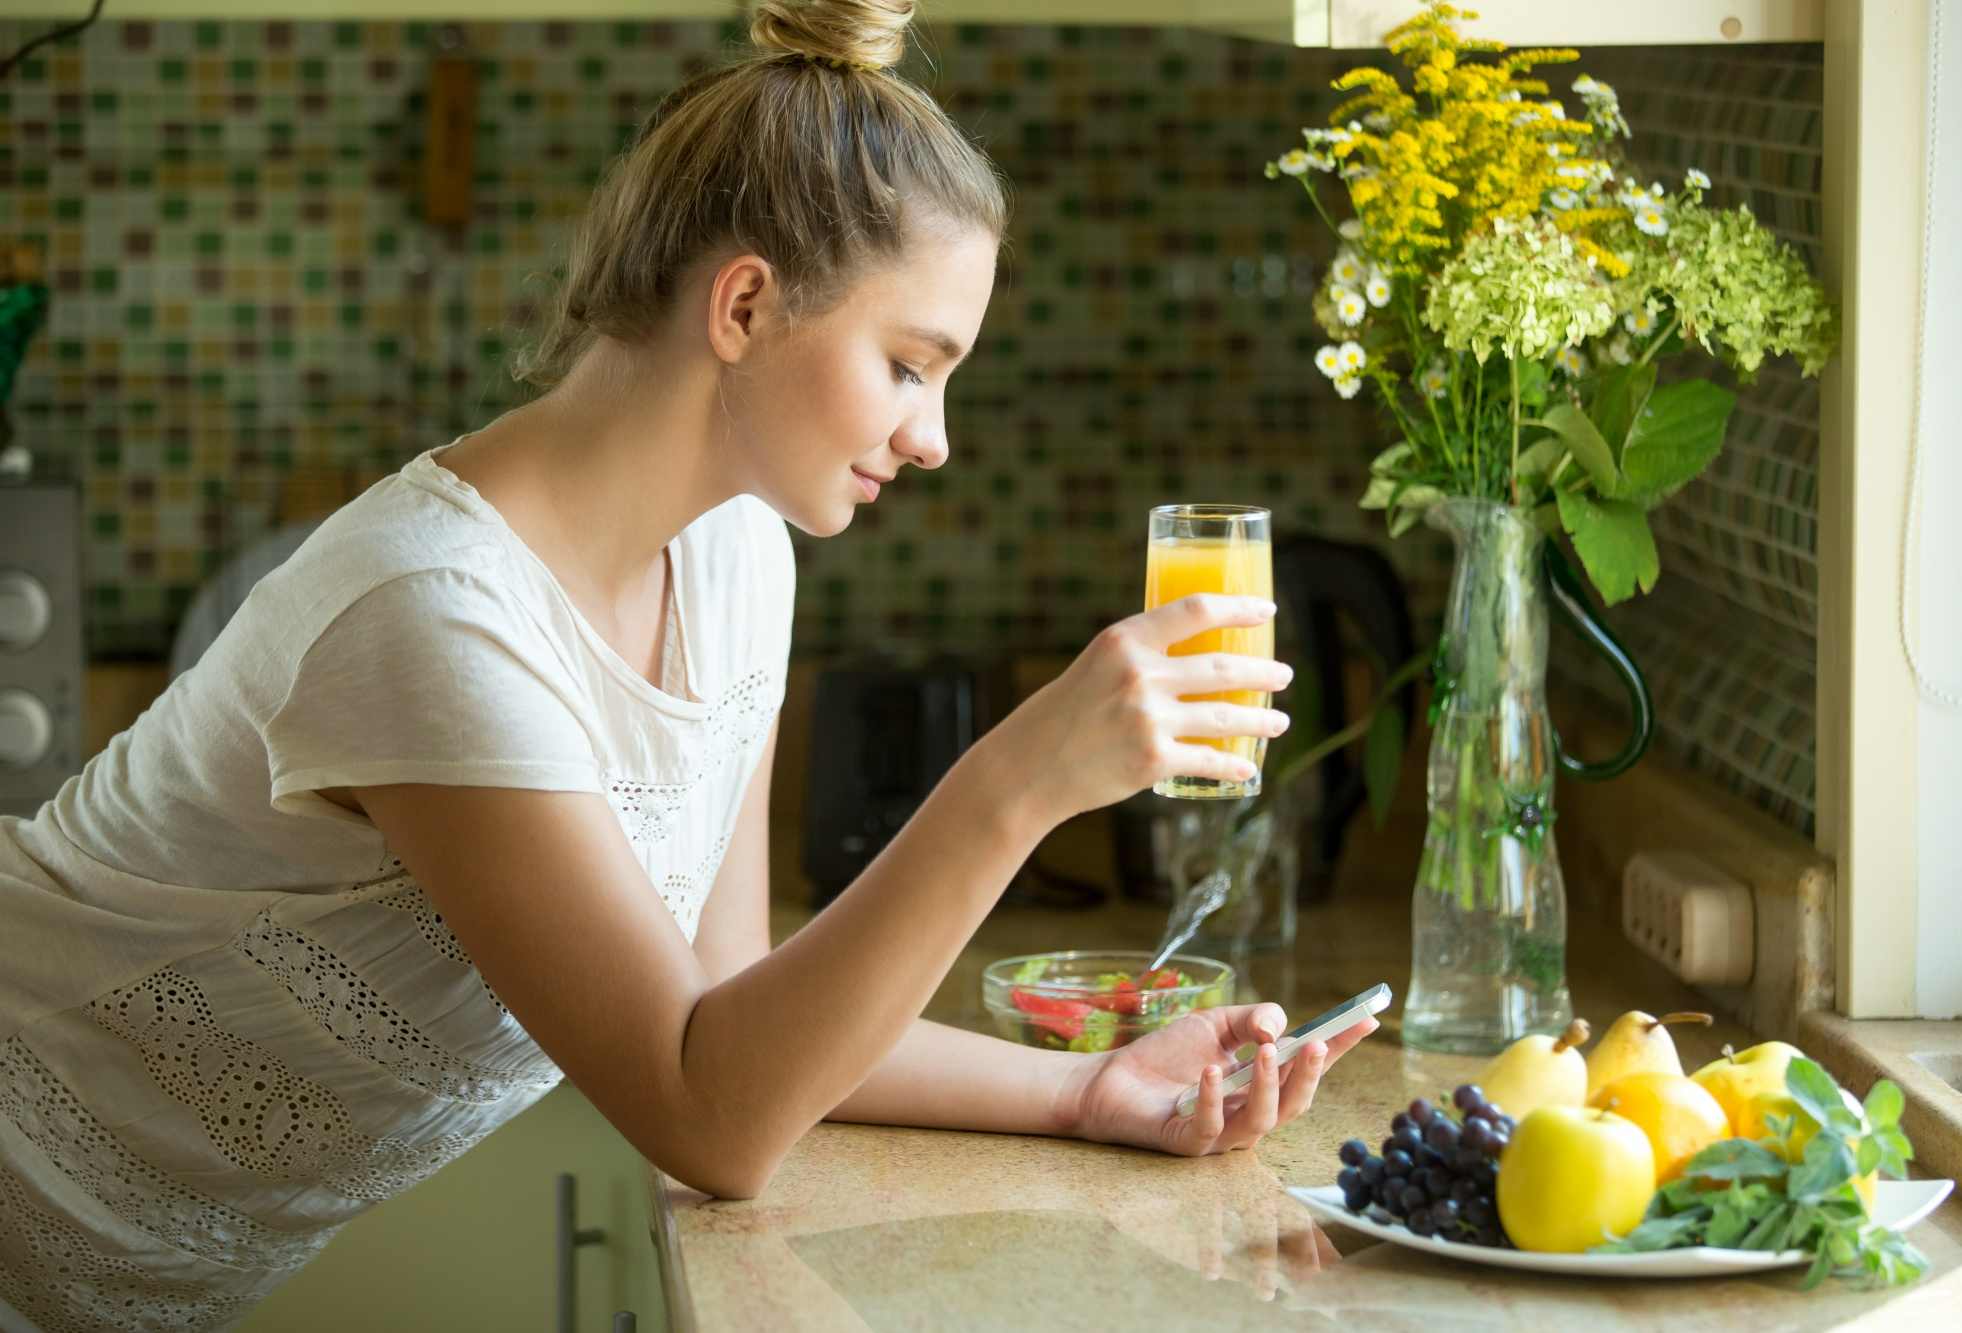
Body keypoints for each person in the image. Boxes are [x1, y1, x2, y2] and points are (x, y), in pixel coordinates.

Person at [0, 3, 1374, 1328]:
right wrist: (1017, 780)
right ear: (746, 305)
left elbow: (740, 1019)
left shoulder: (738, 561)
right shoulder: (435, 612)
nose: (933, 434)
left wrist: (1088, 1093)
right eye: (909, 363)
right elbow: (709, 1115)